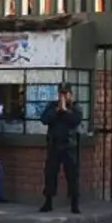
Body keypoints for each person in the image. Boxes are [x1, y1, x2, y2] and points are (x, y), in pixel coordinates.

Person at [39, 82, 83, 214]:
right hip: (54, 145)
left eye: (65, 94)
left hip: (69, 146)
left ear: (71, 94)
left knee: (72, 175)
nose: (63, 96)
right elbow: (44, 119)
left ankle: (74, 203)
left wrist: (65, 111)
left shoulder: (75, 107)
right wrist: (57, 111)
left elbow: (75, 120)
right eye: (61, 94)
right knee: (50, 174)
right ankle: (48, 202)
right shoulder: (52, 106)